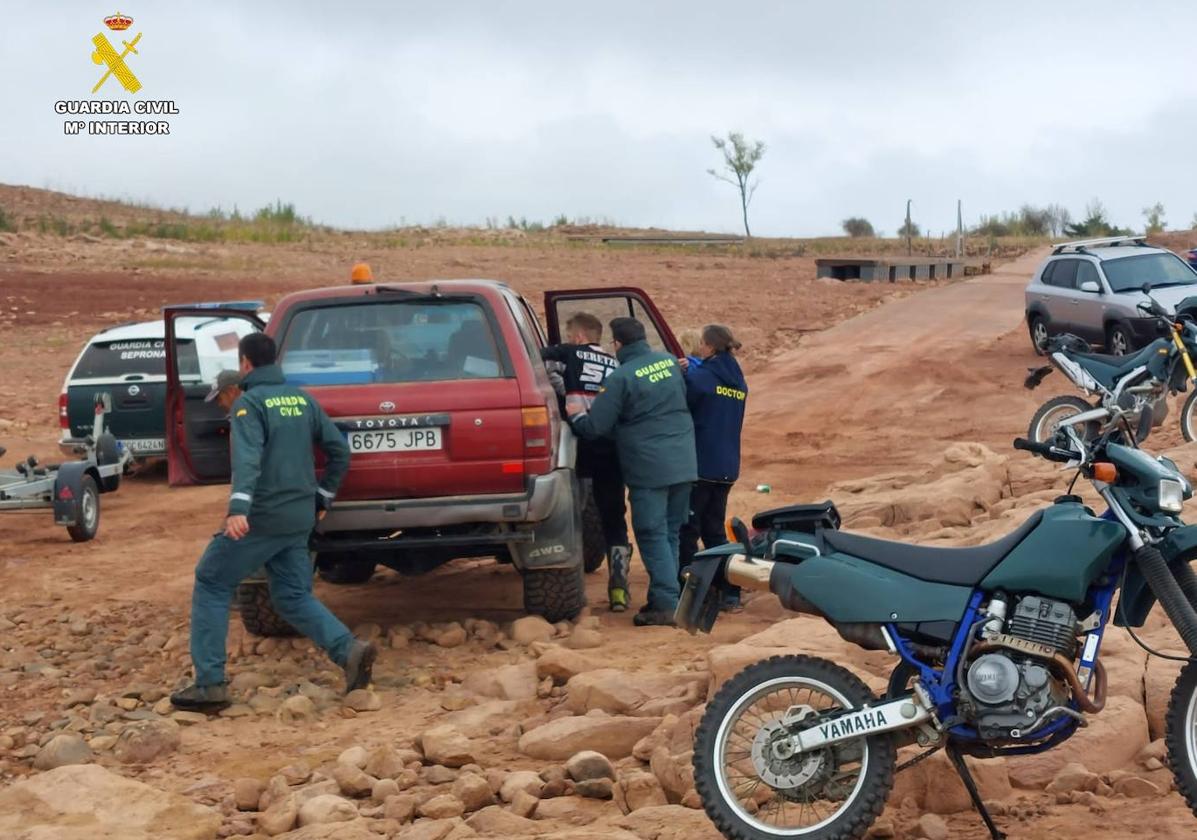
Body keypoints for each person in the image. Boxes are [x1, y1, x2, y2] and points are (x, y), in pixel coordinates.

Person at [171, 333, 376, 711]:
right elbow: (338, 452)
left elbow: (247, 461)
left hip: (263, 515)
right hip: (299, 515)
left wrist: (238, 509)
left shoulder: (249, 404)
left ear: (245, 363)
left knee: (212, 580)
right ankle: (349, 650)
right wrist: (323, 497)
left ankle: (210, 684)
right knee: (292, 595)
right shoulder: (302, 400)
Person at [567, 317, 696, 627]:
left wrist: (575, 417)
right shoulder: (667, 362)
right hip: (683, 461)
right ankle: (670, 596)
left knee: (652, 534)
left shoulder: (620, 377)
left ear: (618, 345)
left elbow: (597, 427)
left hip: (648, 468)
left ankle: (665, 604)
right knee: (670, 531)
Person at [541, 312, 631, 611]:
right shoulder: (616, 362)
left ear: (578, 337)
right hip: (611, 447)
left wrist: (560, 387)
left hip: (579, 446)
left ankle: (572, 589)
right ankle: (619, 590)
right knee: (614, 517)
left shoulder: (568, 352)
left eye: (570, 335)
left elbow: (535, 359)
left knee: (570, 515)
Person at [679, 324, 748, 609]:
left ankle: (689, 591)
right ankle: (729, 590)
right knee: (714, 531)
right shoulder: (738, 380)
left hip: (701, 464)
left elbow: (684, 403)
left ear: (707, 346)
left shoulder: (703, 378)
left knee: (688, 530)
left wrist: (683, 372)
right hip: (727, 466)